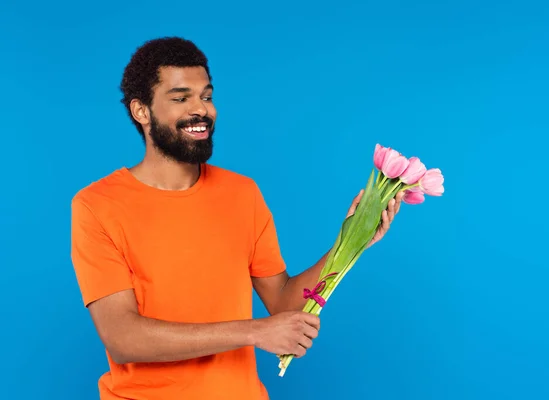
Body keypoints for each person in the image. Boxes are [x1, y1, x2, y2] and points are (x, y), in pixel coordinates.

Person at [70, 37, 402, 400]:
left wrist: (350, 241)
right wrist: (254, 331)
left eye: (207, 96)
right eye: (181, 98)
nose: (202, 110)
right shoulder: (97, 205)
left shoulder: (242, 194)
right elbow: (123, 338)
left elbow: (284, 304)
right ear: (142, 111)